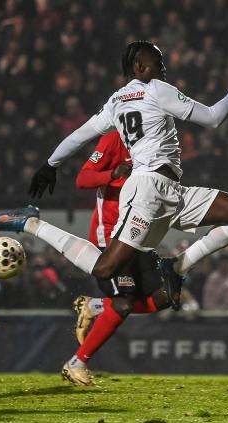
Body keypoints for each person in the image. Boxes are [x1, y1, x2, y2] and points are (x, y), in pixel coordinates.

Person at [0, 40, 228, 355]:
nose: (164, 68)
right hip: (147, 190)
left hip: (172, 192)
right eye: (158, 62)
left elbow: (79, 135)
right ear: (140, 67)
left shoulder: (115, 102)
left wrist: (51, 164)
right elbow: (212, 118)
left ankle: (177, 267)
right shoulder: (155, 88)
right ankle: (30, 224)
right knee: (104, 269)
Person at [62, 130, 178, 386]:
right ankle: (76, 363)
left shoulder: (160, 143)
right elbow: (83, 179)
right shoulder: (114, 139)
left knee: (166, 297)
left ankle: (95, 306)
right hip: (111, 239)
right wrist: (112, 174)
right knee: (123, 304)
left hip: (141, 237)